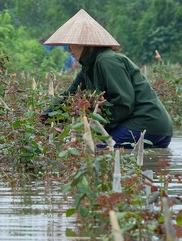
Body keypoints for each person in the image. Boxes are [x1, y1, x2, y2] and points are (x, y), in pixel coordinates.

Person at [41, 8, 173, 148]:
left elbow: (124, 103)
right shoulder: (88, 67)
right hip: (152, 128)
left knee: (94, 151)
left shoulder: (107, 60)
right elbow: (68, 96)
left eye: (72, 44)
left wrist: (97, 126)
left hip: (145, 124)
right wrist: (44, 118)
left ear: (86, 45)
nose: (69, 50)